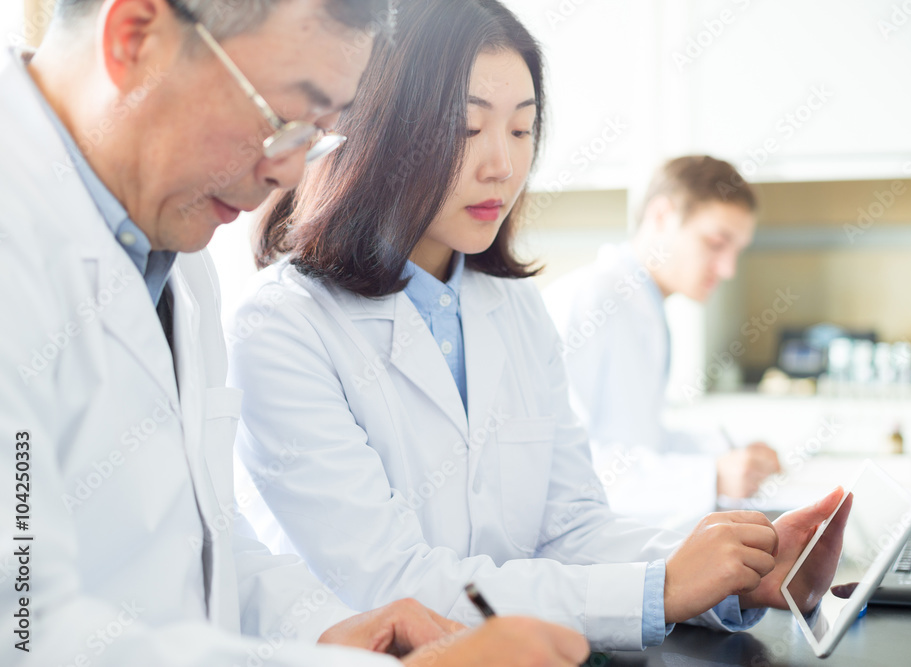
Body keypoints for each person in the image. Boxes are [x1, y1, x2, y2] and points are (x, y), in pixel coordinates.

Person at [228, 0, 847, 653]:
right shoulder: (282, 326)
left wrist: (735, 570)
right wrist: (659, 587)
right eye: (467, 128)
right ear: (383, 131)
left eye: (522, 131)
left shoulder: (512, 306)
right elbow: (392, 584)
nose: (502, 163)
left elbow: (572, 528)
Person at [0, 0, 587, 665]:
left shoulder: (180, 261)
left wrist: (322, 626)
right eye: (281, 117)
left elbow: (203, 539)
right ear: (135, 37)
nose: (291, 169)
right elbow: (22, 633)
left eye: (319, 132)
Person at [544, 156, 782, 514]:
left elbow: (639, 441)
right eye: (717, 243)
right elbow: (569, 467)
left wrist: (728, 452)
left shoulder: (644, 306)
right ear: (660, 217)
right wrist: (711, 477)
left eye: (736, 251)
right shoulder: (593, 300)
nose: (728, 269)